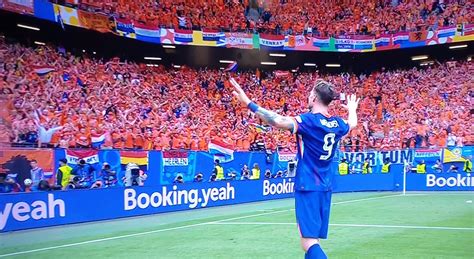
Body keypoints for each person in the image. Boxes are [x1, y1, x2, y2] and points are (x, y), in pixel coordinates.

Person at [230, 78, 358, 259]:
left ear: (313, 97)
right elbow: (352, 123)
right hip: (325, 187)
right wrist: (352, 109)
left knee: (308, 243)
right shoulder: (338, 124)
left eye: (310, 93)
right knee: (313, 240)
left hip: (308, 185)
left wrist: (248, 103)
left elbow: (277, 121)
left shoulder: (308, 121)